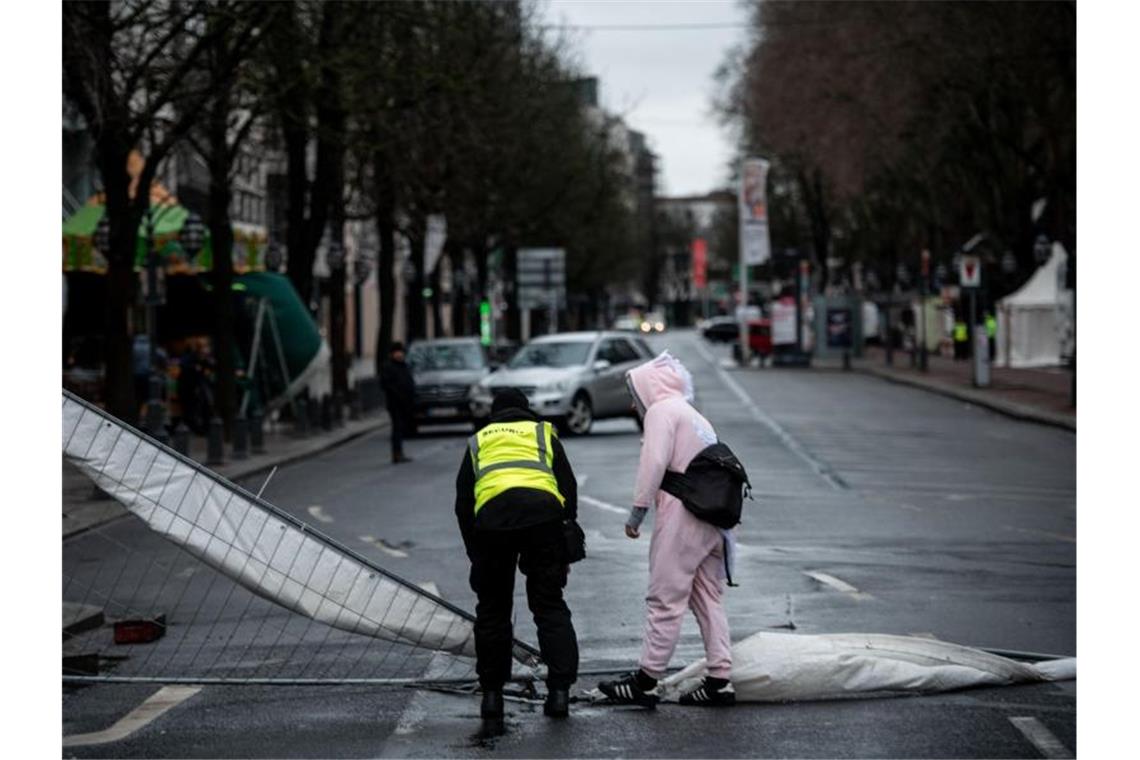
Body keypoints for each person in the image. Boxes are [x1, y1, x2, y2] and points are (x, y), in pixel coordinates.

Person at [598, 351, 735, 708]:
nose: (633, 405)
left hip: (684, 516)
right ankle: (720, 681)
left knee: (664, 597)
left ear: (649, 388)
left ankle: (645, 681)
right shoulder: (694, 414)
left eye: (634, 395)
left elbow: (655, 463)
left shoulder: (661, 412)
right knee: (707, 597)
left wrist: (637, 513)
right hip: (713, 519)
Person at [455, 388, 580, 734]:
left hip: (492, 525)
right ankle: (559, 693)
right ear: (526, 411)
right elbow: (567, 489)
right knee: (549, 604)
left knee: (493, 610)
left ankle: (492, 696)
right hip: (544, 520)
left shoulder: (478, 441)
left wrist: (474, 551)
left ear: (494, 415)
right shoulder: (543, 433)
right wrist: (565, 535)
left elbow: (464, 502)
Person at [380, 342, 415, 464]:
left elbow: (409, 381)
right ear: (392, 353)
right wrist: (398, 394)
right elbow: (386, 385)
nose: (400, 354)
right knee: (397, 428)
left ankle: (399, 452)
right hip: (395, 403)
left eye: (401, 352)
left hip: (405, 402)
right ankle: (396, 453)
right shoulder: (388, 367)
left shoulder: (404, 365)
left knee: (401, 428)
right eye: (397, 352)